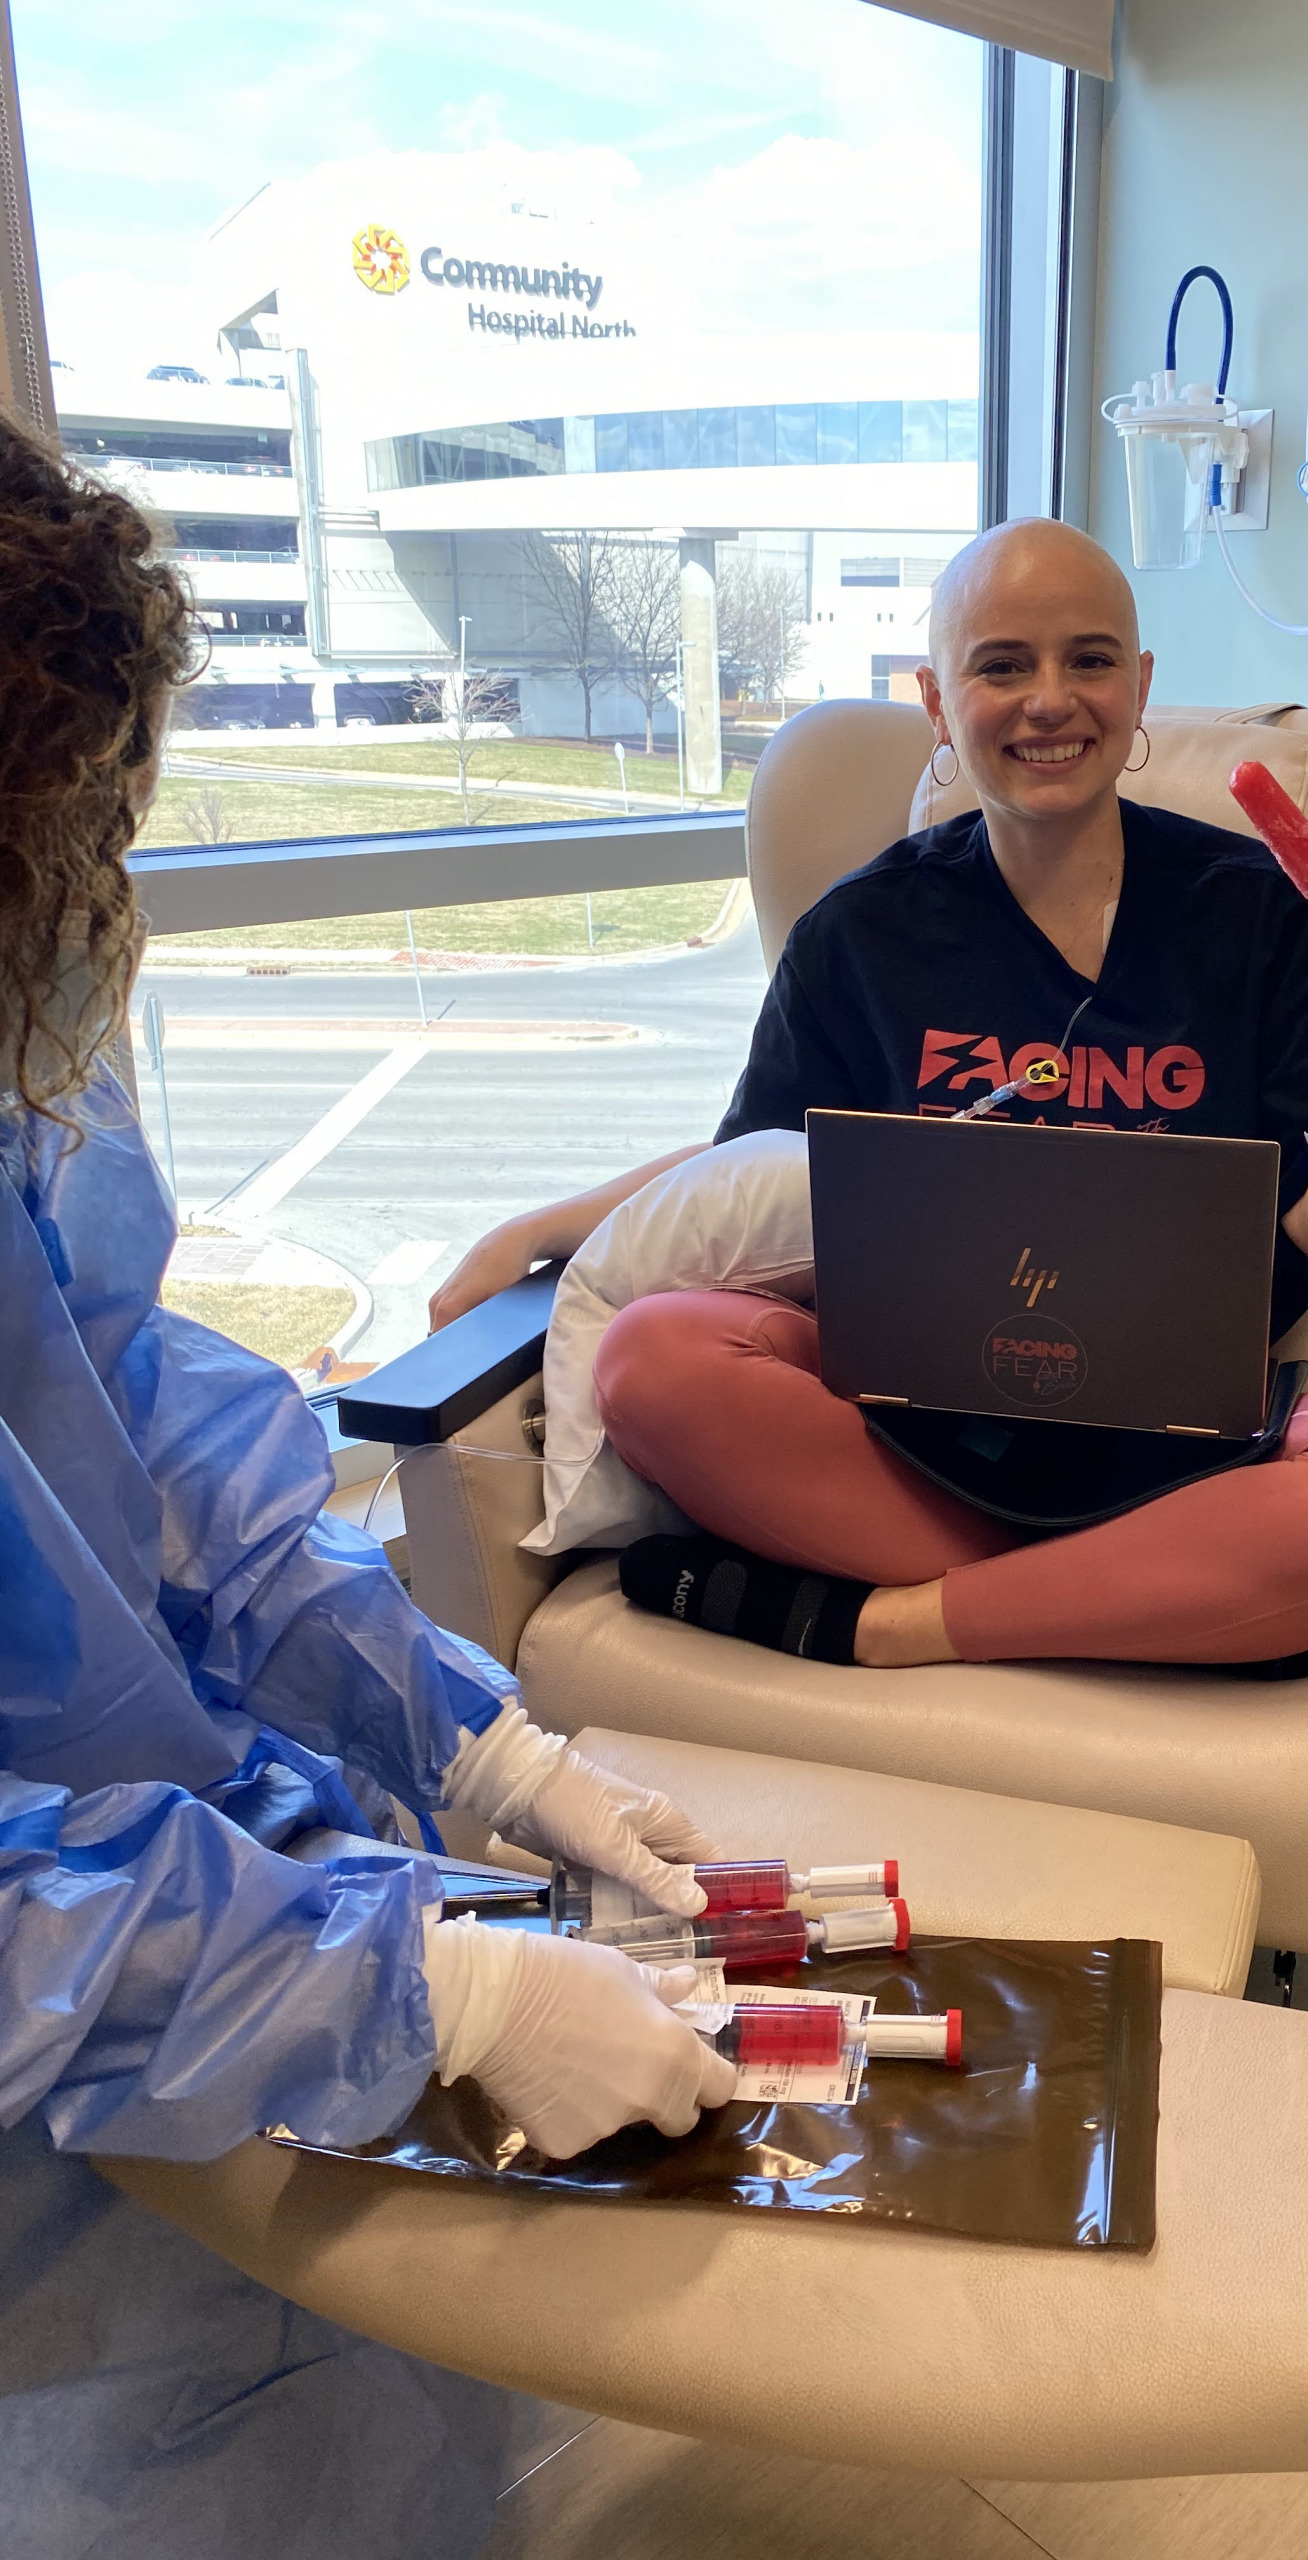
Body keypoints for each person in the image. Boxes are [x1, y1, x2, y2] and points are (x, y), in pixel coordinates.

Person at [0, 419, 734, 2560]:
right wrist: (430, 1990)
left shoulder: (31, 1070)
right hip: (70, 2022)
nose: (94, 909)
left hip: (180, 1899)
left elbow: (141, 1420)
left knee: (346, 2399)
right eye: (64, 843)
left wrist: (477, 1739)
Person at [438, 519, 1308, 1672]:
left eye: (1089, 661)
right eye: (1001, 665)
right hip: (910, 1435)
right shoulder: (859, 937)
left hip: (1197, 1441)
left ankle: (880, 1625)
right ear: (940, 702)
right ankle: (1148, 1598)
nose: (1050, 700)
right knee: (653, 1356)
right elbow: (754, 1170)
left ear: (1138, 691)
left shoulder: (1264, 917)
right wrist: (542, 1229)